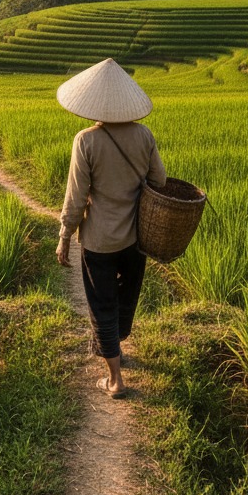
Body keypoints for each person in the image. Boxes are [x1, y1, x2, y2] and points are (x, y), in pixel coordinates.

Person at [55, 58, 166, 399]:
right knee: (125, 295)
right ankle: (113, 348)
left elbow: (75, 198)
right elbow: (159, 181)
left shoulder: (86, 140)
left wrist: (63, 237)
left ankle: (115, 379)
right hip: (135, 238)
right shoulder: (143, 134)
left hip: (99, 240)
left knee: (102, 302)